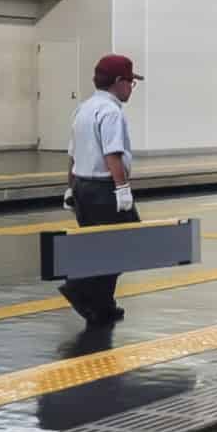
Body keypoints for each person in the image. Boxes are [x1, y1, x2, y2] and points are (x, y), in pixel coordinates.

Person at [60, 53, 143, 326]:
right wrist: (123, 190)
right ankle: (78, 288)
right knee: (124, 244)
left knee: (99, 245)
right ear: (119, 81)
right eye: (130, 82)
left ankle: (103, 305)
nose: (131, 88)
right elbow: (113, 155)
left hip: (83, 187)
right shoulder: (111, 112)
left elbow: (73, 154)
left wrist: (70, 188)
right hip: (104, 189)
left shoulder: (83, 108)